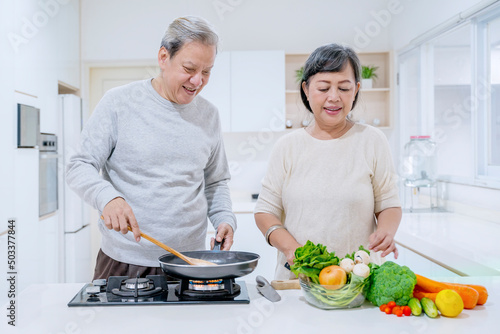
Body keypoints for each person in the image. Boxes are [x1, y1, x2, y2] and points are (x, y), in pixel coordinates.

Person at [66, 16, 236, 279]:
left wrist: (224, 218)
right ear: (163, 57)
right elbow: (78, 165)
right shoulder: (118, 103)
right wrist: (108, 197)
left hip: (189, 262)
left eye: (206, 71)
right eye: (189, 68)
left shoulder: (209, 115)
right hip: (125, 261)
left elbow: (215, 182)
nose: (197, 81)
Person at [254, 43, 402, 280]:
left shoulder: (372, 140)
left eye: (344, 88)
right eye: (323, 88)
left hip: (358, 281)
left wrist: (385, 231)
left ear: (356, 90)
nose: (334, 98)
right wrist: (293, 250)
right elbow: (264, 213)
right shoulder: (287, 147)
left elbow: (388, 203)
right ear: (306, 89)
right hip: (299, 280)